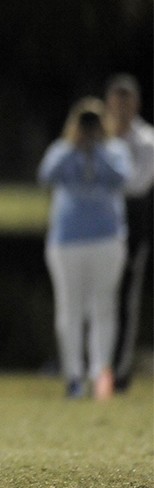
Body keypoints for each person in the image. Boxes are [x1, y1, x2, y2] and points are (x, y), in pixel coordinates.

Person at [39, 97, 132, 399]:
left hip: (106, 239)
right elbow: (46, 175)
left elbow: (122, 178)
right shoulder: (62, 150)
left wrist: (98, 148)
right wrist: (75, 145)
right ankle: (74, 375)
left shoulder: (114, 150)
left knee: (103, 306)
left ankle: (99, 372)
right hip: (67, 240)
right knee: (70, 308)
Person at [104, 74, 154, 393]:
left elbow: (139, 184)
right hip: (97, 225)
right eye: (116, 100)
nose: (121, 107)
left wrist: (103, 180)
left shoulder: (147, 139)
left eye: (127, 100)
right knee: (94, 298)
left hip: (132, 226)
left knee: (124, 298)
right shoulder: (96, 135)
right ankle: (93, 367)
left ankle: (119, 373)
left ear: (135, 103)